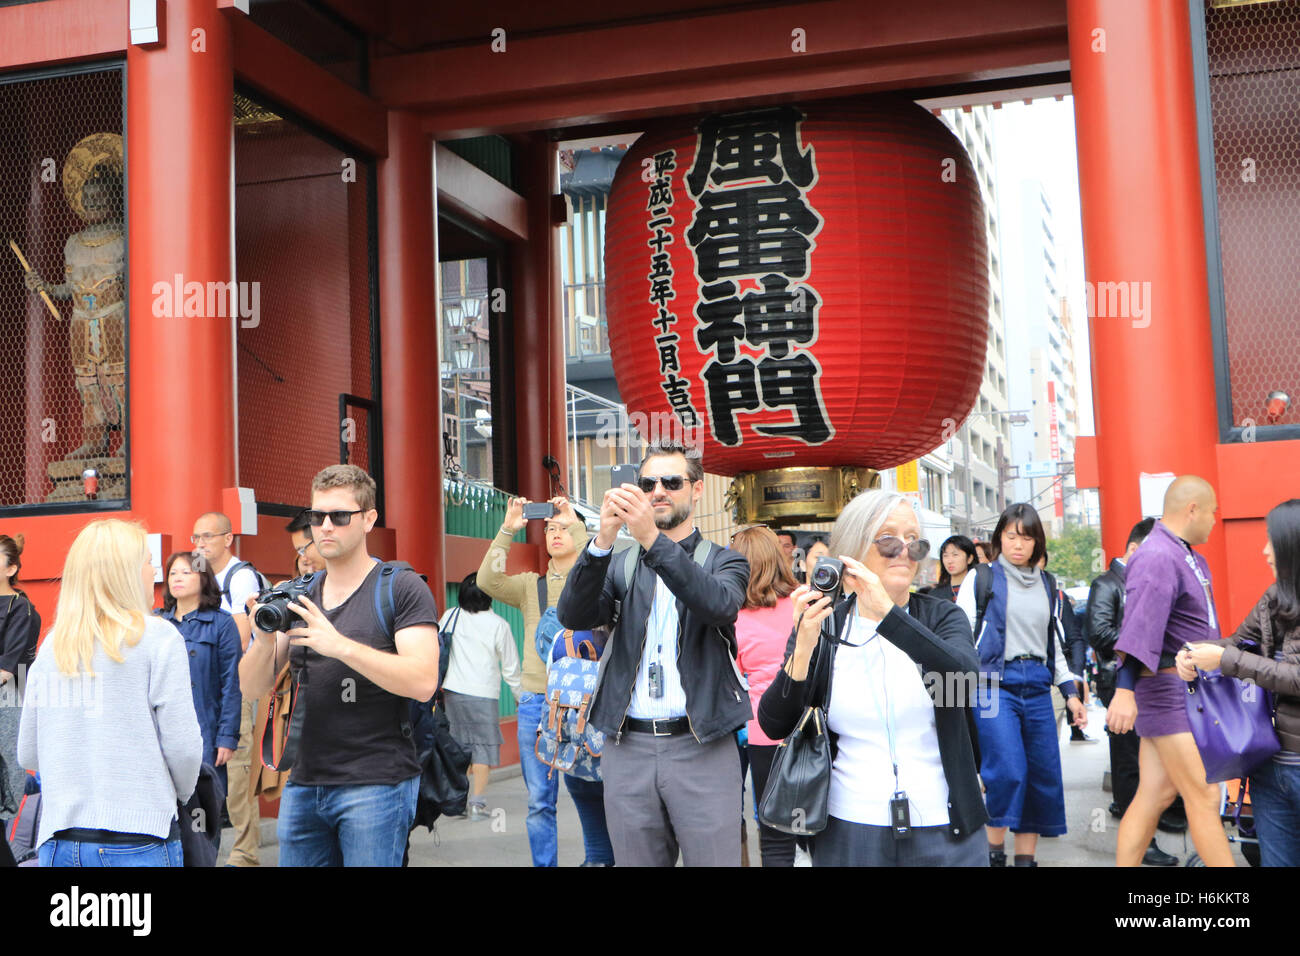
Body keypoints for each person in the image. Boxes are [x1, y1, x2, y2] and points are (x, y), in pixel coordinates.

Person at [758, 490, 987, 865]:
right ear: (852, 550)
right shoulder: (826, 623)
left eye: (915, 541)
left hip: (946, 825)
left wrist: (887, 614)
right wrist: (802, 649)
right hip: (850, 826)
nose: (904, 551)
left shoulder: (942, 616)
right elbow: (773, 723)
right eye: (888, 540)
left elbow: (964, 678)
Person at [557, 441, 751, 866]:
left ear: (697, 490)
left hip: (703, 746)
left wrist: (649, 538)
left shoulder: (725, 561)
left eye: (672, 481)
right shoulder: (621, 562)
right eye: (648, 483)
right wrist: (603, 540)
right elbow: (573, 614)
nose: (658, 491)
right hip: (628, 747)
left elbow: (718, 606)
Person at [238, 464, 440, 866]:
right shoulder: (298, 595)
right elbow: (250, 687)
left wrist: (341, 647)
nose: (325, 527)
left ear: (368, 519)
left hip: (377, 783)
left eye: (339, 516)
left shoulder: (400, 588)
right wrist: (262, 641)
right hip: (304, 780)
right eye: (317, 517)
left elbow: (423, 681)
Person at [18, 519, 202, 866]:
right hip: (140, 836)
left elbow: (28, 752)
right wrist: (175, 793)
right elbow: (184, 749)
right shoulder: (159, 638)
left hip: (60, 841)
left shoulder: (54, 645)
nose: (154, 573)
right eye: (148, 562)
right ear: (126, 572)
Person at [476, 495, 612, 867]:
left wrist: (577, 523)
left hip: (588, 703)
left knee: (592, 787)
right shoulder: (529, 587)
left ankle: (599, 858)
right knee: (540, 800)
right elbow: (487, 580)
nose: (555, 533)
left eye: (563, 528)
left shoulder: (599, 583)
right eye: (550, 528)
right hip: (537, 702)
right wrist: (508, 528)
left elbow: (600, 559)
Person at [1107, 475, 1234, 867]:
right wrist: (1124, 690)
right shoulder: (1158, 553)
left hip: (1188, 690)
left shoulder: (1187, 554)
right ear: (1192, 509)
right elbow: (1139, 627)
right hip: (1167, 690)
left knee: (1155, 794)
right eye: (1212, 511)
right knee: (1205, 795)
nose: (1216, 519)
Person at [957, 503, 1086, 867]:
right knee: (1008, 771)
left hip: (1038, 687)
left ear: (1037, 543)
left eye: (1026, 537)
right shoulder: (982, 578)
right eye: (1011, 536)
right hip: (993, 685)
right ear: (999, 538)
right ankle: (992, 855)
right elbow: (961, 633)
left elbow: (1052, 646)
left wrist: (1071, 693)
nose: (1018, 544)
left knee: (1041, 775)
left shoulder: (1048, 583)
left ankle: (1025, 860)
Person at [1177, 498, 1300, 866]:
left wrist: (1227, 661)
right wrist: (1194, 653)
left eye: (1271, 542)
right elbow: (1236, 643)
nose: (1265, 552)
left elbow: (1294, 677)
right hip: (1268, 762)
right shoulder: (1274, 599)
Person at [1085, 517, 1176, 865]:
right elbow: (1098, 633)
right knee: (1128, 761)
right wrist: (1144, 642)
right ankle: (1141, 840)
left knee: (1150, 758)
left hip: (1147, 682)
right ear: (1134, 549)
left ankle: (1151, 820)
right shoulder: (1106, 583)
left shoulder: (1145, 582)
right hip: (1118, 682)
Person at [191, 510, 262, 866]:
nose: (199, 544)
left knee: (237, 772)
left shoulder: (240, 577)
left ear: (228, 538)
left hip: (235, 686)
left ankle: (244, 853)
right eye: (195, 538)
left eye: (207, 536)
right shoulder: (196, 574)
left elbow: (239, 638)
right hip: (203, 689)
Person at [730, 525, 799, 866]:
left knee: (771, 833)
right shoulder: (804, 602)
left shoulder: (733, 616)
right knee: (807, 820)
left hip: (758, 730)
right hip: (806, 726)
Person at [157, 552, 242, 796]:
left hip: (205, 729)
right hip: (163, 732)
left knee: (203, 811)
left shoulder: (221, 624)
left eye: (186, 572)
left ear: (203, 579)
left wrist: (226, 737)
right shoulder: (158, 623)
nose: (177, 579)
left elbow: (231, 684)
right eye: (173, 573)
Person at [439, 572, 521, 821]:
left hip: (452, 692)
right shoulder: (499, 625)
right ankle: (477, 803)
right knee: (482, 747)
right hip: (483, 694)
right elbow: (510, 667)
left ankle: (458, 801)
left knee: (458, 747)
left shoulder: (450, 616)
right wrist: (520, 696)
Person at [0, 534, 40, 822]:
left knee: (7, 785)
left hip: (9, 700)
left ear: (11, 569)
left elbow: (6, 671)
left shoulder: (20, 608)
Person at [933, 535, 978, 602]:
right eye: (945, 556)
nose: (950, 561)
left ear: (969, 559)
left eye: (955, 555)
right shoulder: (935, 595)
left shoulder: (979, 589)